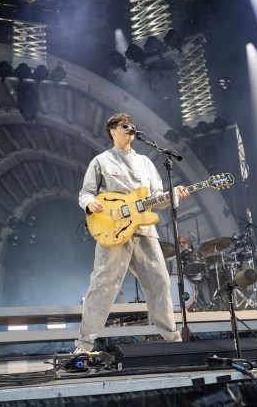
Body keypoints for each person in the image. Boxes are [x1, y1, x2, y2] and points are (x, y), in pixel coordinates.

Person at [75, 112, 190, 353]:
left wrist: (174, 196)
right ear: (112, 131)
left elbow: (158, 198)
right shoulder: (101, 161)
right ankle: (84, 345)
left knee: (160, 282)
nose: (130, 129)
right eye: (124, 125)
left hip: (144, 231)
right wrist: (89, 203)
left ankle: (173, 340)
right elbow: (85, 192)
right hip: (113, 232)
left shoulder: (146, 162)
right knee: (102, 285)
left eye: (132, 126)